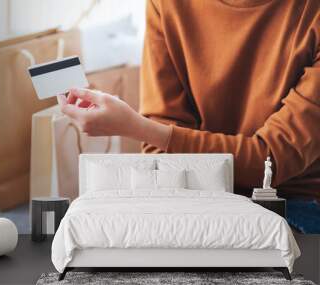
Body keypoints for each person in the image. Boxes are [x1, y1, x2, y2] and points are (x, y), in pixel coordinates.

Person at [58, 0, 320, 200]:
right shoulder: (168, 5)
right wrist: (151, 132)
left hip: (290, 203)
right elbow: (160, 153)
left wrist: (136, 127)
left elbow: (270, 164)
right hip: (194, 195)